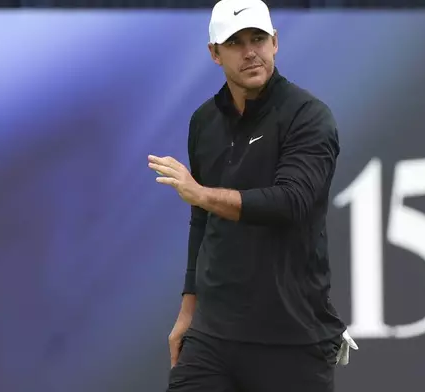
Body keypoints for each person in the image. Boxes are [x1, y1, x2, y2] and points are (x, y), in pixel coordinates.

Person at [148, 0, 357, 390]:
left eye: (258, 38)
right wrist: (188, 308)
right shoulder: (203, 122)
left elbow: (291, 202)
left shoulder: (308, 116)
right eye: (235, 42)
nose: (250, 52)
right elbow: (201, 219)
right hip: (213, 335)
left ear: (275, 42)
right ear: (214, 53)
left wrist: (202, 194)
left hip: (292, 337)